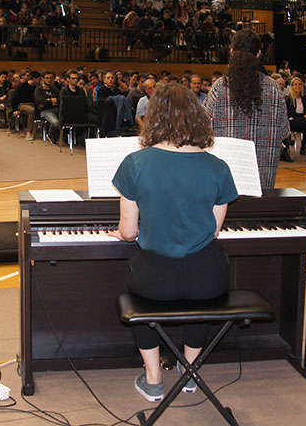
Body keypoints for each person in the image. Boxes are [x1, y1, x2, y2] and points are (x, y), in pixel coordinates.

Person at [110, 83, 238, 403]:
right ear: (197, 118)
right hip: (207, 276)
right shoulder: (218, 167)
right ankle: (189, 373)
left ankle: (153, 380)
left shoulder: (135, 163)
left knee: (143, 301)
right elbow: (213, 231)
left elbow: (128, 232)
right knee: (199, 301)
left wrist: (126, 232)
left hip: (156, 278)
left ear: (154, 118)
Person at [203, 28, 289, 189]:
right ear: (258, 54)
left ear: (231, 52)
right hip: (262, 180)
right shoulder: (274, 88)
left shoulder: (220, 87)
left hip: (226, 178)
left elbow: (203, 127)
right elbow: (283, 131)